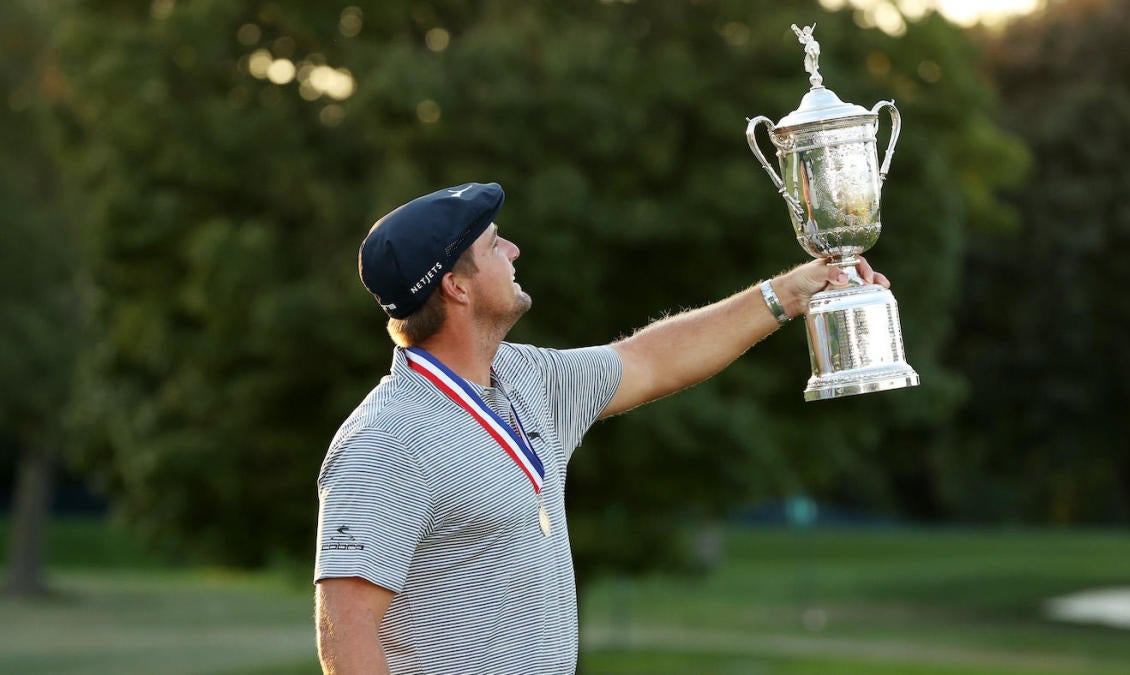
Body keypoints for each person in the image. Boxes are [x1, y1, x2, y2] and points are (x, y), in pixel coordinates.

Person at [313, 182, 890, 674]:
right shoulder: (386, 438)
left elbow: (648, 359)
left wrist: (789, 292)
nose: (514, 249)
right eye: (494, 244)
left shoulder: (522, 376)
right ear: (456, 287)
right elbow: (347, 625)